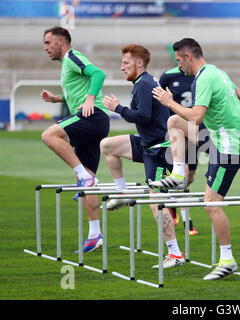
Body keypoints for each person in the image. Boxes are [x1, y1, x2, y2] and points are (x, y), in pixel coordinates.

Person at [149, 38, 240, 281]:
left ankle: (227, 261)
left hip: (228, 148)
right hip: (220, 140)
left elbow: (195, 116)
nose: (178, 65)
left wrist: (169, 102)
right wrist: (229, 120)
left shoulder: (204, 77)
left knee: (211, 203)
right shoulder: (217, 72)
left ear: (188, 56)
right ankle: (178, 174)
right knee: (174, 122)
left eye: (178, 60)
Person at [99, 44, 185, 269]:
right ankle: (122, 191)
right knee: (107, 146)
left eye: (125, 63)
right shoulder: (142, 83)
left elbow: (143, 116)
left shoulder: (144, 84)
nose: (121, 67)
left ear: (139, 63)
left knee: (155, 200)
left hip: (159, 150)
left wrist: (117, 108)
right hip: (146, 143)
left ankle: (175, 254)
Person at [41, 26, 109, 253]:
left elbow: (98, 74)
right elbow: (76, 92)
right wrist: (56, 98)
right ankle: (95, 234)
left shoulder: (72, 56)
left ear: (62, 41)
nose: (45, 48)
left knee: (49, 135)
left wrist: (90, 99)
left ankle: (85, 178)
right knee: (87, 175)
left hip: (93, 116)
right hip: (91, 119)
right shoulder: (66, 64)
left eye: (48, 43)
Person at [159, 65, 203, 236]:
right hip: (176, 131)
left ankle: (173, 201)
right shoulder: (168, 76)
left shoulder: (200, 75)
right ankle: (187, 223)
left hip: (194, 130)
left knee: (190, 176)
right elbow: (160, 101)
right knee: (183, 173)